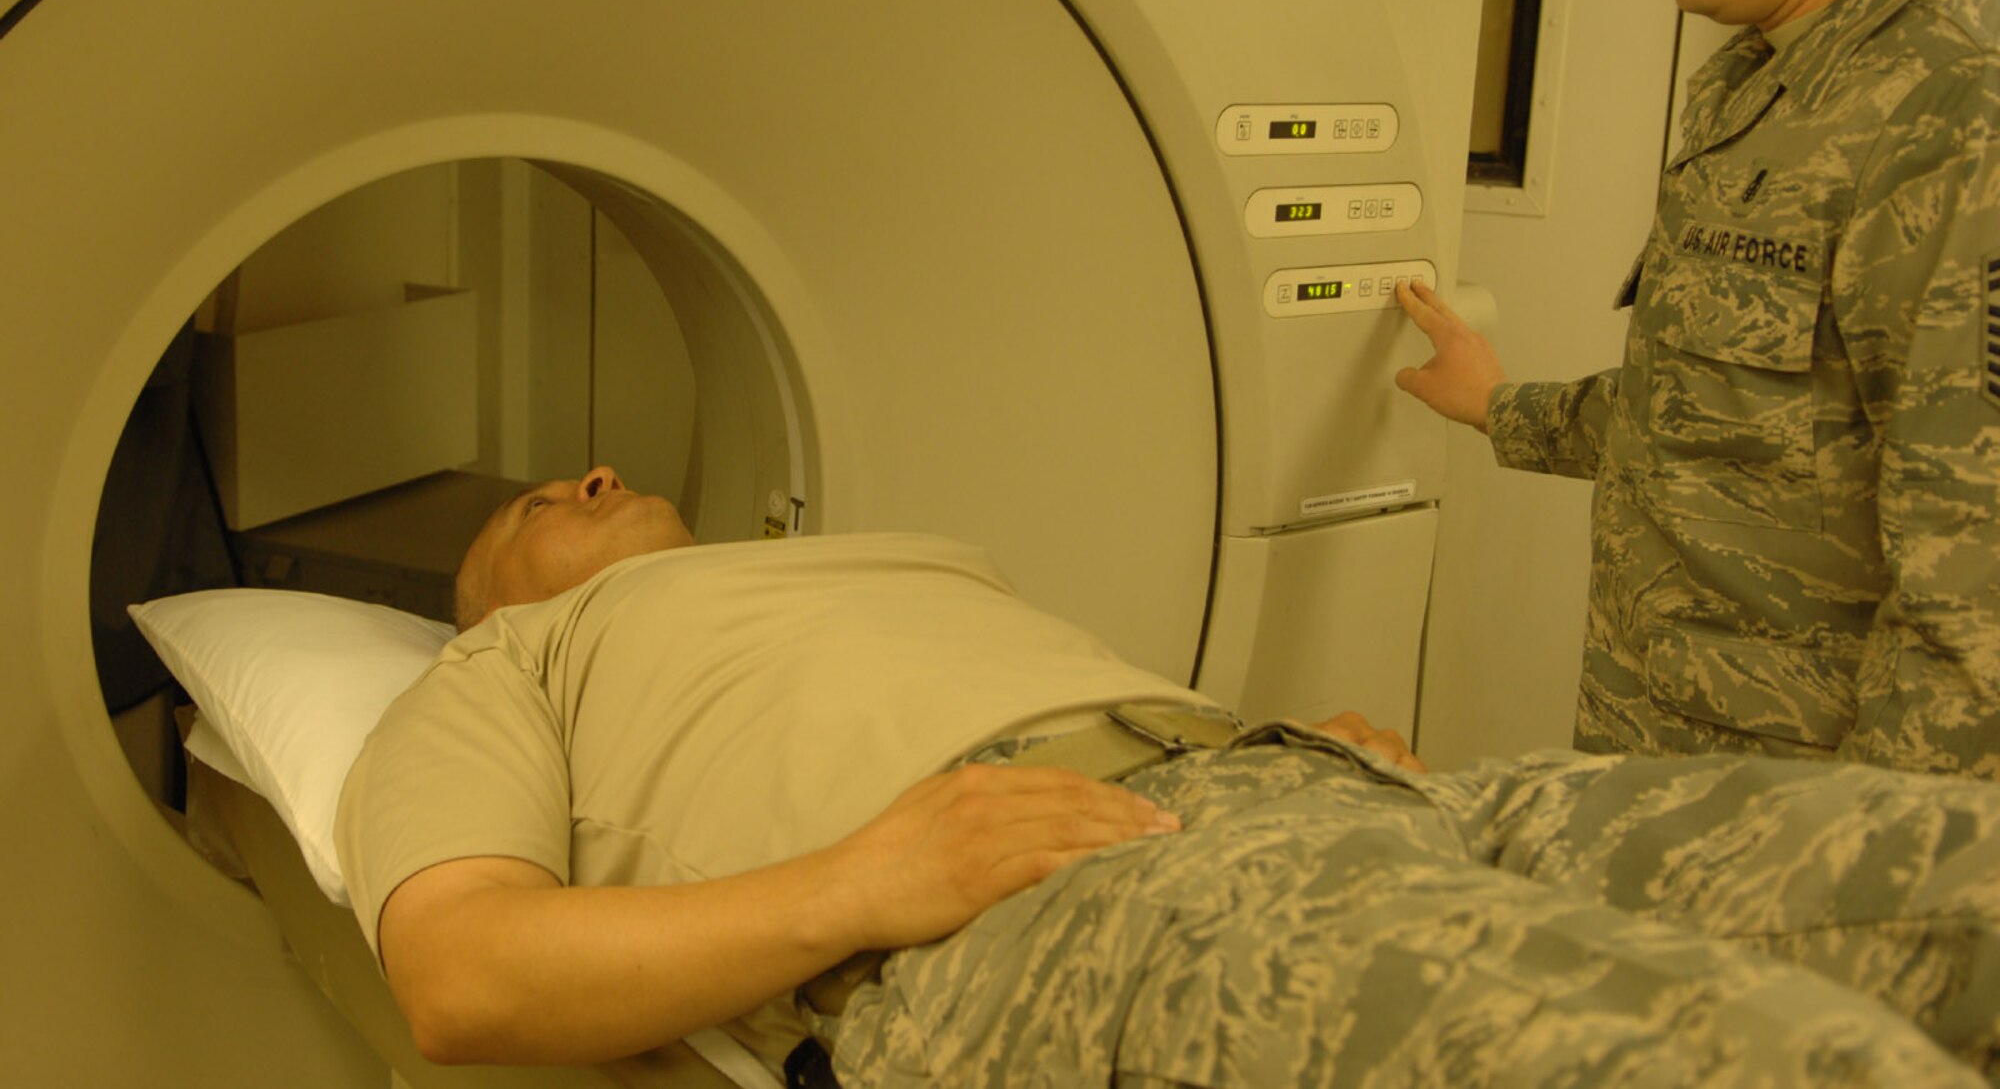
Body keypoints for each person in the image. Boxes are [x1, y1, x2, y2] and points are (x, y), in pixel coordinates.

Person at [336, 466, 2000, 1085]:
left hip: (1299, 788)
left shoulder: (892, 556)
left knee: (1945, 867)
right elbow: (462, 978)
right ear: (489, 598)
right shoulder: (513, 665)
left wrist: (1267, 743)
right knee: (1726, 1054)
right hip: (1041, 905)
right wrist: (866, 884)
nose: (595, 467)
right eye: (532, 505)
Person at [1395, 0, 2000, 776]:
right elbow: (1726, 414)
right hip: (1663, 783)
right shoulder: (1757, 79)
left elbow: (1973, 624)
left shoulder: (1957, 116)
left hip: (1793, 847)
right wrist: (1500, 406)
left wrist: (1843, 902)